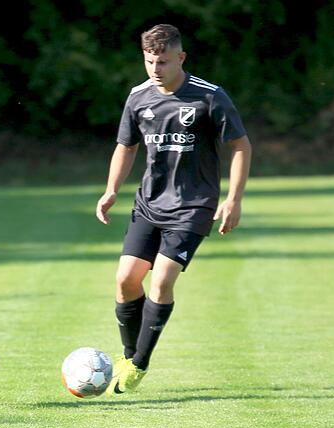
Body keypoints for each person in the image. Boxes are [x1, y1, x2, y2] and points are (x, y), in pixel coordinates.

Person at [95, 24, 252, 395]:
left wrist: (234, 198)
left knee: (162, 280)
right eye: (149, 61)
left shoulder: (209, 97)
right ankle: (130, 354)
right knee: (125, 281)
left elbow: (241, 145)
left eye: (163, 61)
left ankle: (139, 364)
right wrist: (111, 190)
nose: (155, 68)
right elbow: (126, 146)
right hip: (149, 203)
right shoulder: (138, 97)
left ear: (181, 58)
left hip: (193, 205)